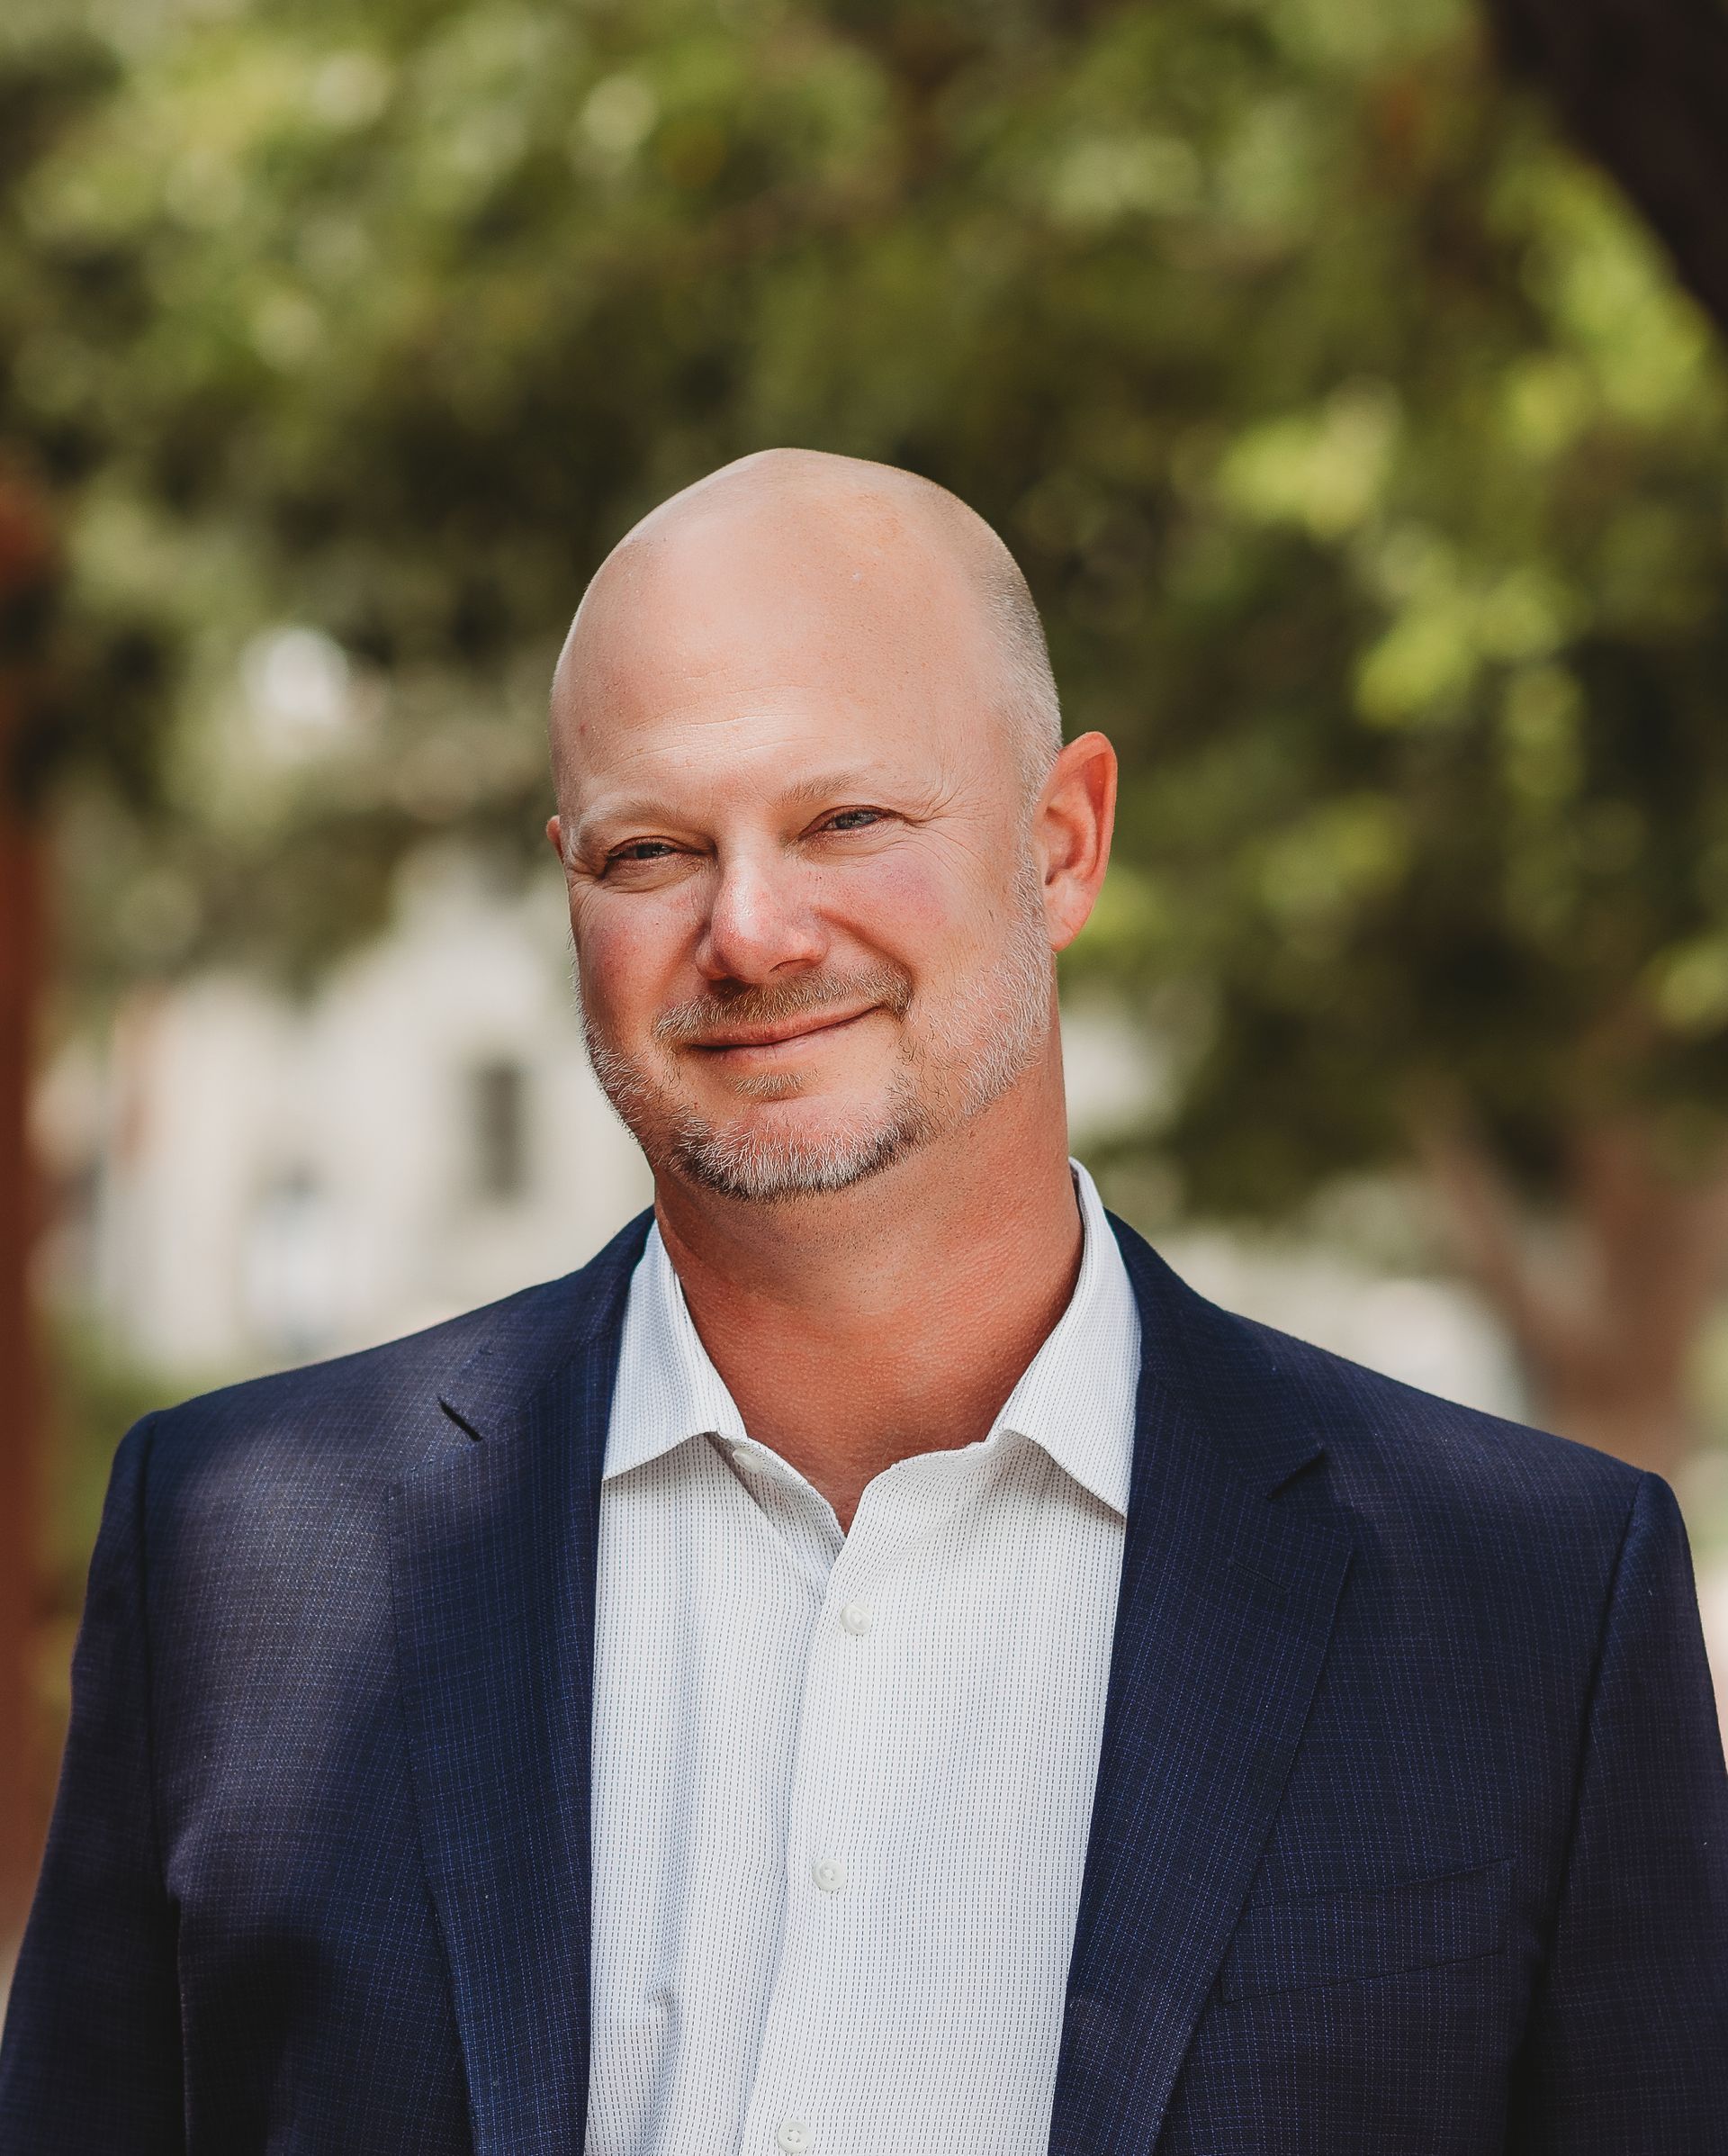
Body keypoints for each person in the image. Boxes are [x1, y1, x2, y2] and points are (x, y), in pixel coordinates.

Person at [2, 448, 1724, 2156]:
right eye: (651, 851)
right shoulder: (241, 1557)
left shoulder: (1533, 1614)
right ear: (568, 887)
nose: (750, 932)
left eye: (847, 820)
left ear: (1064, 844)